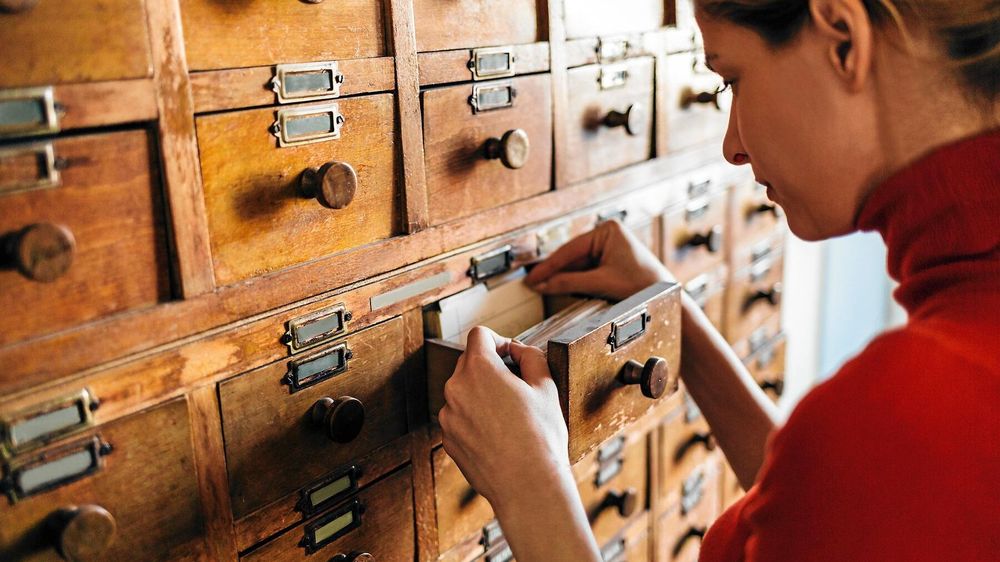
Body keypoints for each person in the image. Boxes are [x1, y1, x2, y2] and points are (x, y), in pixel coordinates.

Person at [437, 0, 1000, 560]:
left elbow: (850, 475)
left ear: (843, 41)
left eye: (732, 78)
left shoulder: (906, 408)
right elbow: (838, 516)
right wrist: (673, 319)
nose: (732, 147)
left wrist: (531, 488)